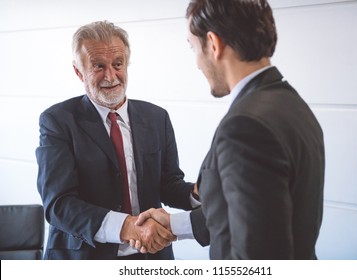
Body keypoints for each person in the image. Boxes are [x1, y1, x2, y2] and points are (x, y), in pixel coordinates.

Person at [135, 0, 325, 260]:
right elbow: (257, 214)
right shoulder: (290, 104)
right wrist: (175, 223)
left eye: (193, 47)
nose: (197, 63)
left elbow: (257, 257)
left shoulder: (245, 127)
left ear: (213, 43)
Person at [35, 20, 196, 260]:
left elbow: (168, 185)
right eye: (98, 66)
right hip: (86, 258)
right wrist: (128, 226)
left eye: (118, 64)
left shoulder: (157, 117)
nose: (111, 76)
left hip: (151, 257)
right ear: (79, 71)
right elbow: (60, 205)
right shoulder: (57, 121)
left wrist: (199, 193)